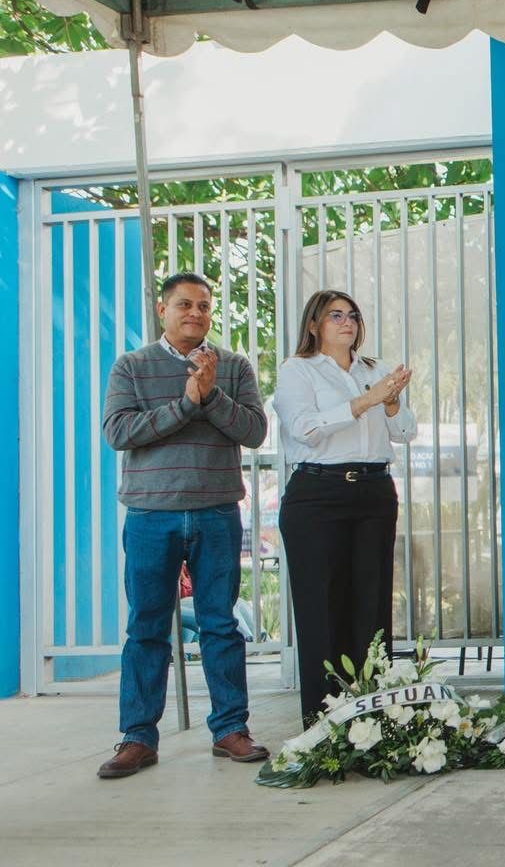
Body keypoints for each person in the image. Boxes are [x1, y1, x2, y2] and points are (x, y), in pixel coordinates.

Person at [98, 272, 270, 779]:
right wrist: (186, 404)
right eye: (184, 305)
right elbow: (119, 431)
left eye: (204, 306)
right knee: (147, 627)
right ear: (162, 309)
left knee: (220, 624)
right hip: (151, 515)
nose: (195, 313)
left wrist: (211, 394)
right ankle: (137, 738)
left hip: (217, 512)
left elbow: (255, 431)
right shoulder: (131, 367)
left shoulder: (233, 366)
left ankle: (230, 730)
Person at [273, 290, 415, 723]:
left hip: (373, 491)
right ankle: (324, 722)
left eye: (352, 315)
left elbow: (405, 432)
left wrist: (390, 402)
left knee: (371, 604)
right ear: (314, 324)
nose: (346, 322)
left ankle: (374, 717)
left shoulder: (376, 369)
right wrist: (366, 401)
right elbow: (305, 430)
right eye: (335, 315)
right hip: (318, 493)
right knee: (322, 605)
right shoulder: (297, 370)